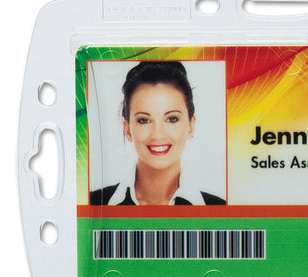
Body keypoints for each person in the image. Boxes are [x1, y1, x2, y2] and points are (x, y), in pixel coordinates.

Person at [90, 61, 225, 206]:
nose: (157, 135)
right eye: (144, 120)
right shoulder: (93, 203)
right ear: (127, 129)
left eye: (172, 119)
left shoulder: (220, 209)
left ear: (191, 126)